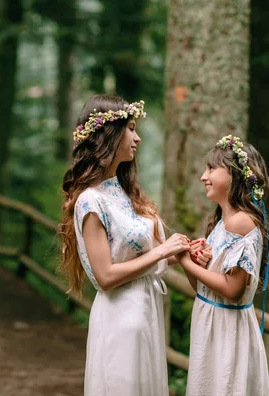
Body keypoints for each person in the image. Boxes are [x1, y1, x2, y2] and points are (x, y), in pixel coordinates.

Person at [58, 95, 190, 395]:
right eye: (131, 128)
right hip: (120, 316)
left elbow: (148, 255)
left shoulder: (123, 191)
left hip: (146, 310)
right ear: (110, 135)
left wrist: (182, 248)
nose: (138, 137)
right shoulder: (91, 201)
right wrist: (162, 250)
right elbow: (105, 277)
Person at [178, 134, 269, 396]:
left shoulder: (240, 222)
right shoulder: (222, 223)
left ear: (234, 175)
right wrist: (196, 263)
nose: (203, 176)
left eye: (211, 168)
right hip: (212, 324)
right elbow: (202, 288)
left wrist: (183, 259)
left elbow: (232, 290)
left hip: (226, 331)